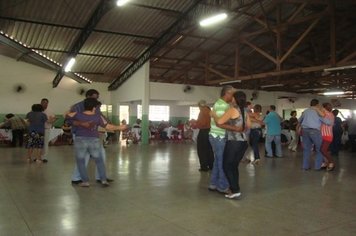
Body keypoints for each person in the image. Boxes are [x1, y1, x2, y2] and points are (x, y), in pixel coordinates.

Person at [66, 98, 127, 187]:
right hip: (93, 140)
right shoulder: (97, 116)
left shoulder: (77, 114)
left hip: (80, 139)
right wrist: (120, 127)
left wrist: (78, 122)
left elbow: (67, 116)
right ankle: (103, 180)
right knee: (99, 160)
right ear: (94, 107)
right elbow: (108, 126)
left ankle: (85, 182)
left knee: (81, 161)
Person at [211, 91, 251, 199]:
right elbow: (248, 126)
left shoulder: (232, 110)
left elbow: (219, 123)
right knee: (233, 166)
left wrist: (214, 115)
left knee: (226, 166)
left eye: (232, 97)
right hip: (243, 142)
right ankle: (235, 189)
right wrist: (238, 128)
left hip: (234, 142)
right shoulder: (245, 111)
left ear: (235, 99)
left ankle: (235, 190)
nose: (231, 99)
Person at [70, 89, 113, 184]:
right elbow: (70, 120)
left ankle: (101, 176)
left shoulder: (95, 106)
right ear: (88, 96)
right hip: (80, 135)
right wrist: (82, 123)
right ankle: (76, 178)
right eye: (95, 97)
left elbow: (100, 116)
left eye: (97, 98)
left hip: (93, 136)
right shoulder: (77, 107)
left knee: (101, 155)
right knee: (83, 157)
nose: (96, 100)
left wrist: (108, 123)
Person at [208, 85, 235, 193]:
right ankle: (223, 186)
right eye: (233, 94)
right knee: (222, 162)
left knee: (218, 161)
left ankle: (213, 184)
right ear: (227, 93)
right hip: (218, 136)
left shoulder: (224, 105)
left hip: (217, 136)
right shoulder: (221, 105)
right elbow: (220, 123)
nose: (234, 96)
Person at [298, 99, 332, 170]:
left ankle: (305, 166)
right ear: (317, 105)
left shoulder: (305, 111)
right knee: (319, 149)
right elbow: (328, 122)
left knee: (306, 149)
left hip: (305, 131)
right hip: (315, 131)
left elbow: (299, 120)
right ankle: (317, 166)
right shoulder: (317, 112)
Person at [195, 100, 214, 171]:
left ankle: (204, 167)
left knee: (201, 150)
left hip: (204, 132)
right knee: (209, 149)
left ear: (200, 105)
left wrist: (195, 123)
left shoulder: (202, 111)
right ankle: (211, 165)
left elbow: (202, 123)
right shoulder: (209, 110)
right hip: (210, 131)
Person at [320, 103, 335, 171]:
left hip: (328, 135)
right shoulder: (324, 113)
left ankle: (331, 163)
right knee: (322, 150)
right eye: (328, 106)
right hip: (323, 135)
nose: (330, 107)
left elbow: (322, 112)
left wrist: (319, 108)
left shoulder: (330, 114)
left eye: (331, 106)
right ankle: (326, 162)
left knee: (323, 150)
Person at [41, 98, 56, 163]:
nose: (45, 105)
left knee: (45, 143)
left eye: (46, 103)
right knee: (37, 143)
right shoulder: (37, 109)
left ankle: (44, 157)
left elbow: (53, 120)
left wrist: (52, 120)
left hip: (46, 129)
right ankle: (37, 156)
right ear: (41, 103)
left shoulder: (50, 111)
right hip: (38, 129)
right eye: (44, 103)